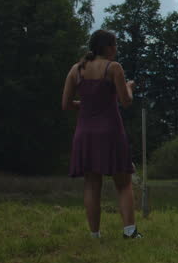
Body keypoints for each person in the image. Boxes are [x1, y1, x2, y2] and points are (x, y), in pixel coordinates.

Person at [61, 29, 142, 239]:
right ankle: (129, 231)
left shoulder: (76, 70)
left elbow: (66, 104)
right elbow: (126, 101)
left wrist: (86, 105)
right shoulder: (113, 68)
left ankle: (95, 234)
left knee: (91, 183)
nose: (116, 49)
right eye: (114, 45)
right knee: (123, 182)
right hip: (110, 132)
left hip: (85, 132)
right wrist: (129, 87)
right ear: (107, 47)